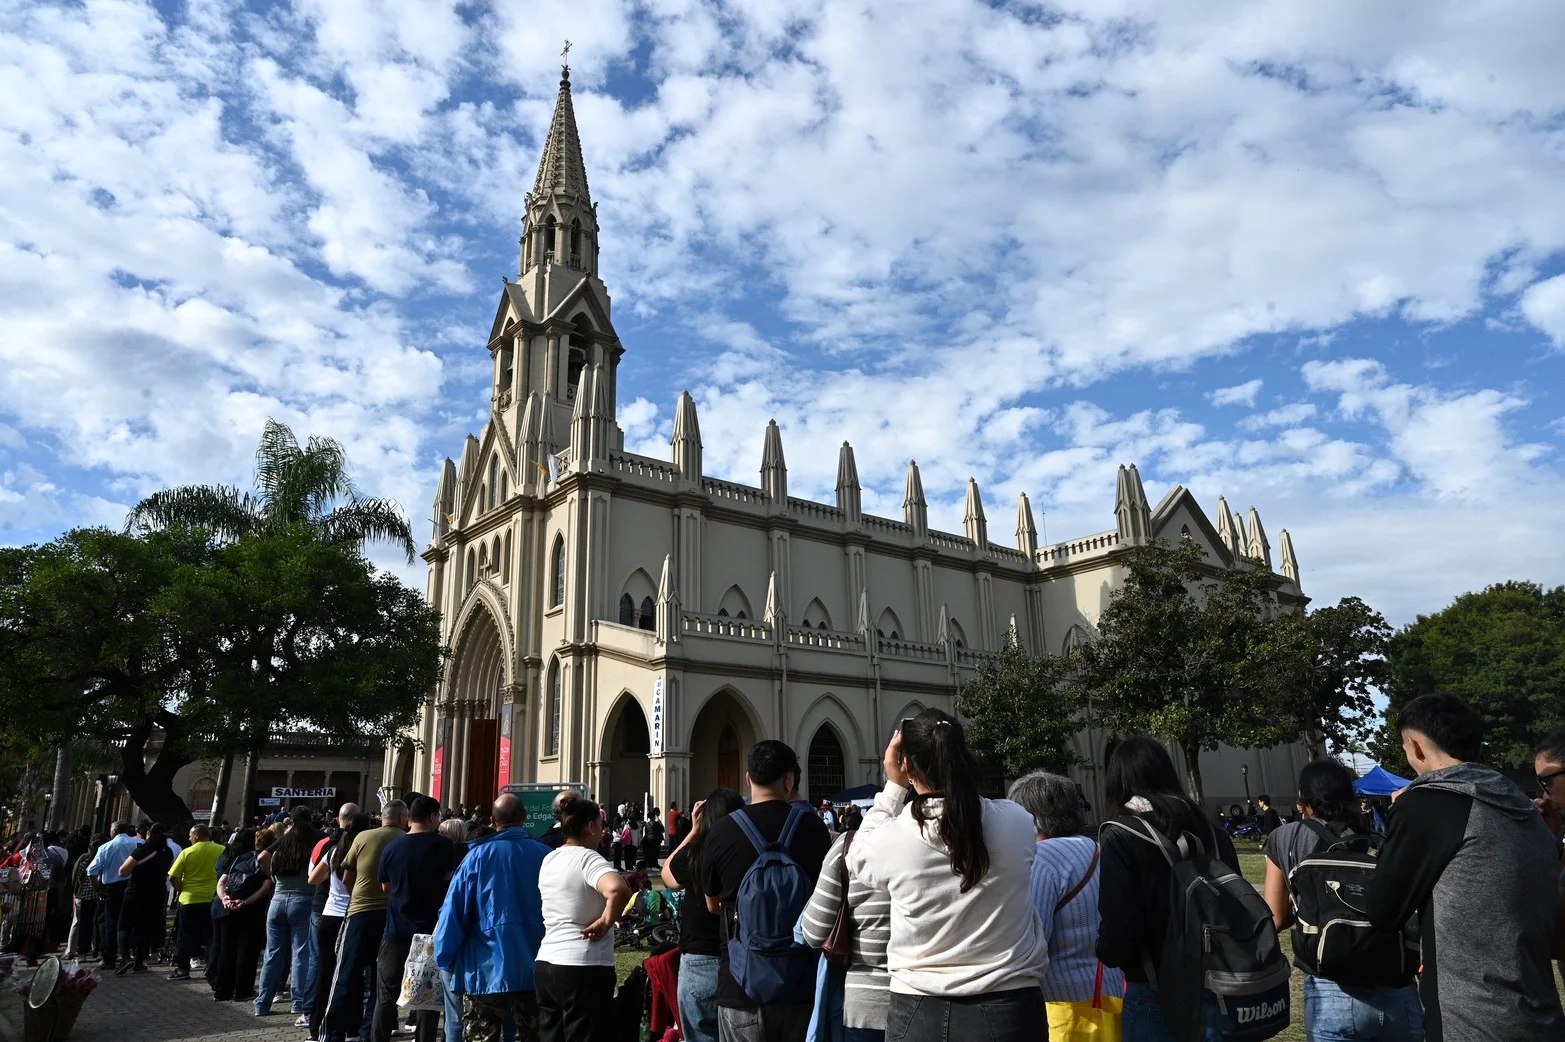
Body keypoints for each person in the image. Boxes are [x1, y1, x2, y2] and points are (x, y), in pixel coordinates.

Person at [1367, 693, 1565, 1040]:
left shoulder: (1429, 802)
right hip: (1539, 1013)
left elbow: (1384, 912)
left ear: (1415, 746)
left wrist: (1404, 817)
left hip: (1469, 1018)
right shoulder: (1522, 807)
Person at [846, 710, 1045, 1042]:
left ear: (906, 764)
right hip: (1009, 1006)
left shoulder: (893, 839)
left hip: (918, 1008)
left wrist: (894, 788)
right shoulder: (1016, 823)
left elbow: (857, 857)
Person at [1260, 758, 1422, 1041]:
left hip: (1332, 989)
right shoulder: (1376, 839)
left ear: (1303, 800)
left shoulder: (1285, 838)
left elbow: (1276, 918)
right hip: (1396, 987)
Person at [1096, 735, 1239, 1040]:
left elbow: (1121, 930)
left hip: (1153, 989)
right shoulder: (1213, 833)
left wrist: (1106, 952)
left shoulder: (1120, 834)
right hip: (1219, 984)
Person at [699, 740, 833, 1042]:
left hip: (741, 984)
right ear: (789, 781)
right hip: (800, 983)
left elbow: (712, 904)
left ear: (748, 778)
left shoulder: (722, 830)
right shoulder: (813, 828)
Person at [1007, 770, 1126, 1036]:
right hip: (1110, 994)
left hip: (1062, 1006)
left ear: (1030, 819)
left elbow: (1033, 939)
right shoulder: (1097, 848)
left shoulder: (1042, 859)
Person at [435, 794, 548, 1042]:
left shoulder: (475, 858)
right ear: (525, 817)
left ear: (492, 820)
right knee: (535, 1034)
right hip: (535, 963)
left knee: (481, 1035)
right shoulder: (545, 855)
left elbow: (454, 911)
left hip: (484, 966)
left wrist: (444, 956)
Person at [534, 795, 632, 1042]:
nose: (602, 831)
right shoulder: (589, 858)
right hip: (583, 965)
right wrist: (606, 921)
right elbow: (618, 890)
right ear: (590, 827)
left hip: (547, 962)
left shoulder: (550, 858)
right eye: (600, 825)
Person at [801, 793, 892, 1042]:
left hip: (867, 1003)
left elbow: (812, 931)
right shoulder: (946, 843)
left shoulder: (848, 847)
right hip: (930, 1001)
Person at [663, 788, 746, 1042]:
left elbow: (668, 875)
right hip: (739, 958)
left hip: (699, 959)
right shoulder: (744, 849)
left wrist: (694, 831)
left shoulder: (698, 852)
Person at [324, 799, 408, 1042]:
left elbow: (347, 875)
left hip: (360, 912)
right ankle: (367, 1034)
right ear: (403, 817)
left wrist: (358, 895)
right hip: (391, 916)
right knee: (381, 983)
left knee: (344, 975)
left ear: (382, 816)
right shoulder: (405, 840)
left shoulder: (362, 838)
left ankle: (332, 1034)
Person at [373, 796, 455, 1042]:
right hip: (429, 930)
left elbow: (385, 886)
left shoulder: (392, 847)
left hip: (395, 928)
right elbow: (448, 880)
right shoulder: (442, 845)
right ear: (432, 817)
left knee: (385, 994)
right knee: (427, 996)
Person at [308, 811, 369, 1042]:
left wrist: (332, 883)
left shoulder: (333, 851)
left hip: (329, 914)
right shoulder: (363, 851)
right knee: (352, 974)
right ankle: (351, 1027)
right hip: (351, 915)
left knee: (325, 973)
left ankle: (317, 1026)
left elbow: (312, 879)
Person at [256, 809, 318, 1018]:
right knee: (301, 953)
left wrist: (273, 877)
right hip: (304, 898)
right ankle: (298, 1001)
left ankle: (262, 1002)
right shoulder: (315, 839)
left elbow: (263, 856)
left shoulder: (284, 840)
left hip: (278, 899)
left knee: (273, 953)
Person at [212, 827, 273, 1002]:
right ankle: (243, 990)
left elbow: (222, 881)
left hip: (228, 908)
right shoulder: (262, 859)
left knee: (227, 949)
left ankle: (222, 990)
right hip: (251, 910)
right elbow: (266, 887)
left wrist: (224, 898)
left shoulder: (236, 857)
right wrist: (245, 902)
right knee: (247, 950)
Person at [115, 822, 174, 975]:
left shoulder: (142, 850)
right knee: (145, 927)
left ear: (149, 834)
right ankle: (139, 962)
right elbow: (169, 870)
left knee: (124, 926)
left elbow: (123, 871)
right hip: (156, 893)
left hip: (136, 891)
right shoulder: (167, 852)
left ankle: (126, 957)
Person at [167, 823, 224, 981]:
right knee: (212, 936)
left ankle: (183, 969)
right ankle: (212, 969)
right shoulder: (221, 850)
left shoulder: (187, 852)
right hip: (213, 898)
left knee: (185, 936)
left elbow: (172, 876)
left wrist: (179, 889)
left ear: (197, 836)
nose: (189, 838)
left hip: (190, 899)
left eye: (191, 836)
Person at [87, 820, 138, 971]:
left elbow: (92, 871)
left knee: (111, 923)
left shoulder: (106, 847)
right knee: (130, 922)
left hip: (113, 888)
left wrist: (98, 889)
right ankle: (130, 953)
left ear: (114, 831)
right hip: (132, 887)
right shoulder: (137, 844)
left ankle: (109, 958)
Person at [64, 834, 103, 960]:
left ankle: (77, 951)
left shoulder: (83, 859)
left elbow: (75, 877)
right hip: (98, 896)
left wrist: (75, 891)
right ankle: (96, 950)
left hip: (83, 896)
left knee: (79, 924)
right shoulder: (102, 858)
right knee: (96, 924)